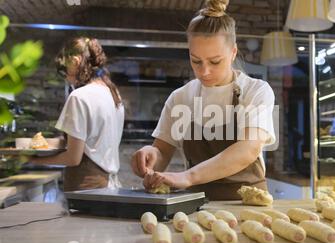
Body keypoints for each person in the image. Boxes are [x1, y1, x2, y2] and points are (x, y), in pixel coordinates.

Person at [131, 0, 276, 200]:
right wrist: (150, 157)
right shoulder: (180, 98)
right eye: (196, 61)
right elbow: (162, 152)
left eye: (215, 61)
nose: (204, 71)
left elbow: (248, 149)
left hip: (249, 206)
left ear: (233, 52)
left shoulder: (255, 91)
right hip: (197, 208)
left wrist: (188, 177)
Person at [31, 37, 124, 191]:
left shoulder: (79, 96)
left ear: (74, 61)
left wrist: (32, 160)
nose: (66, 78)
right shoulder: (113, 93)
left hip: (86, 185)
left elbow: (73, 158)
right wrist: (33, 145)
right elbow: (88, 143)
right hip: (109, 185)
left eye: (64, 70)